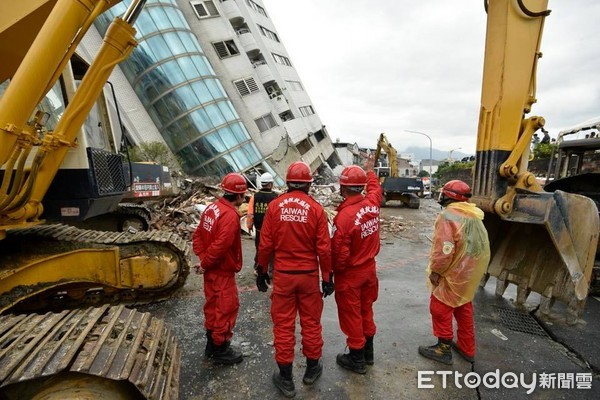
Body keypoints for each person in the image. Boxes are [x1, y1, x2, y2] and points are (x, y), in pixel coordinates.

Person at [256, 161, 333, 398]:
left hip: (284, 278)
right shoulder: (316, 209)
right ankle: (311, 370)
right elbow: (324, 249)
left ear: (288, 183)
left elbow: (265, 244)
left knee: (283, 326)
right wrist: (327, 277)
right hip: (309, 277)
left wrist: (261, 271)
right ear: (309, 185)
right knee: (311, 323)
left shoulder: (275, 206)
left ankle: (286, 378)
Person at [418, 180, 490, 365]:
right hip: (469, 272)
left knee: (439, 306)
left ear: (448, 196)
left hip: (454, 271)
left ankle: (443, 349)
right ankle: (467, 348)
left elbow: (444, 249)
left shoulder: (448, 216)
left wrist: (436, 271)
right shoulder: (473, 215)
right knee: (463, 306)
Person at [332, 160, 383, 374]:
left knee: (351, 315)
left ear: (343, 188)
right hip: (369, 271)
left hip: (351, 274)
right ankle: (368, 353)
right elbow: (376, 188)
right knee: (366, 310)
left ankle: (356, 359)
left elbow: (339, 253)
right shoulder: (372, 203)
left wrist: (334, 272)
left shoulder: (344, 217)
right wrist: (370, 172)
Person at [192, 173, 247, 365]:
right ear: (239, 196)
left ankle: (211, 345)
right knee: (226, 308)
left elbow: (198, 234)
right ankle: (220, 349)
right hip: (221, 270)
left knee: (213, 306)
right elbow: (221, 245)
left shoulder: (212, 208)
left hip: (212, 269)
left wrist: (203, 259)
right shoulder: (230, 216)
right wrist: (206, 262)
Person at [246, 172, 279, 274]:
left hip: (259, 229)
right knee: (272, 251)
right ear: (270, 184)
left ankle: (258, 268)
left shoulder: (254, 197)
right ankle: (271, 270)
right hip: (272, 231)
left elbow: (250, 213)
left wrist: (249, 225)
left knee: (260, 249)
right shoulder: (276, 197)